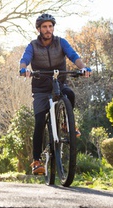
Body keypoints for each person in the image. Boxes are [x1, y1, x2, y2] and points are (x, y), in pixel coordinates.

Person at [19, 13, 91, 175]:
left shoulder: (61, 42)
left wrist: (83, 67)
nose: (48, 29)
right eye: (44, 27)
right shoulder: (33, 45)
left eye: (50, 26)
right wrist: (24, 69)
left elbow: (73, 55)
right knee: (39, 123)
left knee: (70, 94)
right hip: (40, 88)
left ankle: (67, 123)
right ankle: (36, 161)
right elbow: (25, 58)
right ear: (39, 29)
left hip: (59, 83)